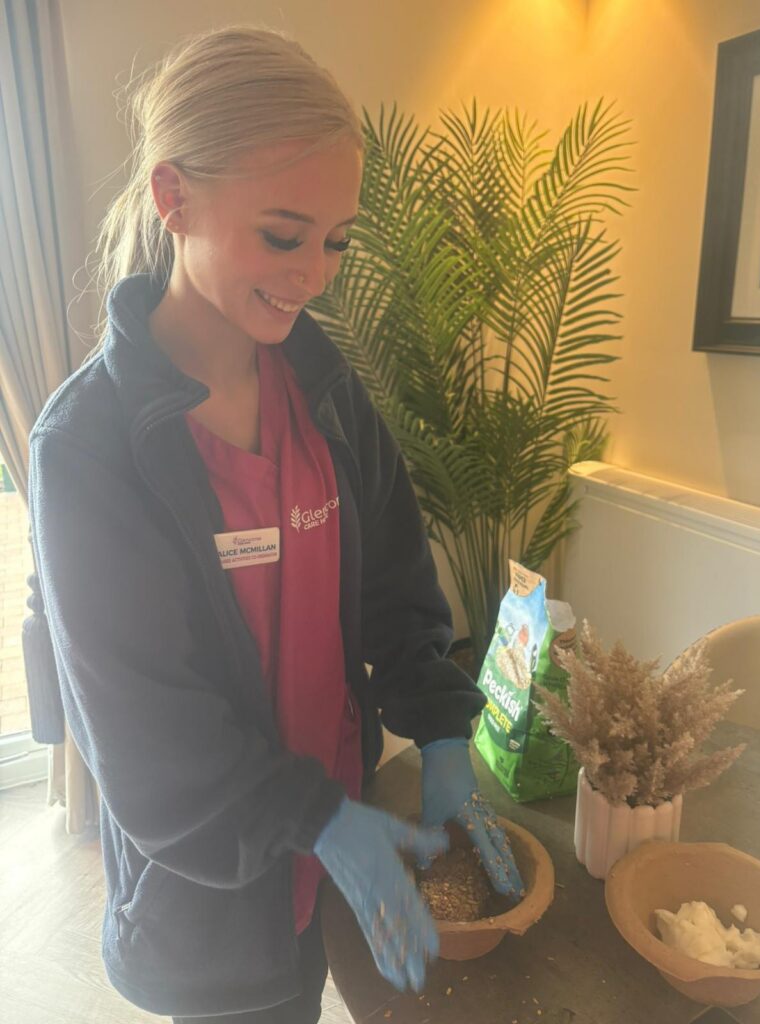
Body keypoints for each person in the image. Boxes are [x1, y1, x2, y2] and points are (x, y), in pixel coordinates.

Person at [27, 25, 523, 1024]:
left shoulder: (326, 393)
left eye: (337, 240)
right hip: (215, 900)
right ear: (174, 197)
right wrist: (319, 820)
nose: (317, 274)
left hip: (331, 851)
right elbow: (150, 748)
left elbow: (397, 592)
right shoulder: (89, 449)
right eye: (285, 236)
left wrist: (440, 733)